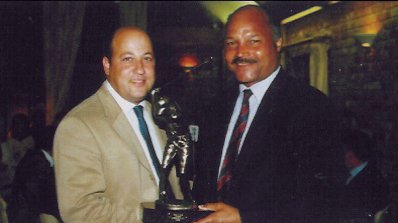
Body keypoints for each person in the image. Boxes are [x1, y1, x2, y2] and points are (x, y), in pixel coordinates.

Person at [193, 5, 343, 223]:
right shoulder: (215, 108)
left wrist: (245, 218)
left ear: (278, 42)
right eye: (231, 43)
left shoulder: (311, 107)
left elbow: (323, 199)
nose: (241, 52)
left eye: (253, 41)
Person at [53, 26, 183, 222]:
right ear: (107, 65)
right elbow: (81, 211)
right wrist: (152, 218)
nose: (140, 69)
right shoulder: (78, 125)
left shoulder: (161, 117)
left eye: (146, 58)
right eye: (128, 59)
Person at [7, 125, 61, 223]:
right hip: (25, 217)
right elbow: (38, 198)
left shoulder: (34, 156)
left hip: (21, 212)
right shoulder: (39, 164)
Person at [338, 130, 390, 220]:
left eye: (345, 151)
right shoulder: (364, 174)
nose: (343, 155)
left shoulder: (372, 180)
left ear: (353, 154)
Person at [1, 113, 35, 187]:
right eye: (15, 125)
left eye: (20, 124)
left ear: (27, 126)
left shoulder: (35, 146)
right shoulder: (5, 146)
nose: (17, 128)